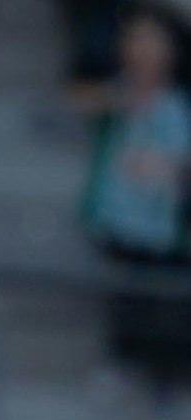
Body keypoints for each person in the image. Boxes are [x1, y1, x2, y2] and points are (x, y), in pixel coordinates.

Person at [78, 5, 191, 387]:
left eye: (149, 40)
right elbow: (79, 99)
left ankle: (161, 379)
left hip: (164, 225)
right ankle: (122, 360)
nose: (139, 49)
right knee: (122, 298)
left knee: (160, 306)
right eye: (133, 38)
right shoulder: (119, 95)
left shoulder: (178, 105)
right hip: (120, 217)